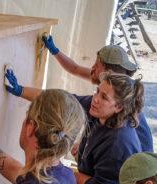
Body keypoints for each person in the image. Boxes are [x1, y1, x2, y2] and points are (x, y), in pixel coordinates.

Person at [5, 71, 145, 184]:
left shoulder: (118, 142)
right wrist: (21, 90)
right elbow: (61, 103)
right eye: (97, 92)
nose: (95, 99)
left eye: (104, 97)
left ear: (119, 107)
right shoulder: (101, 110)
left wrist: (68, 173)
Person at [9, 36, 153, 152]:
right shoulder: (113, 87)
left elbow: (60, 99)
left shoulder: (121, 127)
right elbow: (75, 69)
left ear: (108, 73)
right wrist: (55, 51)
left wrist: (21, 90)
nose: (92, 68)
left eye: (96, 66)